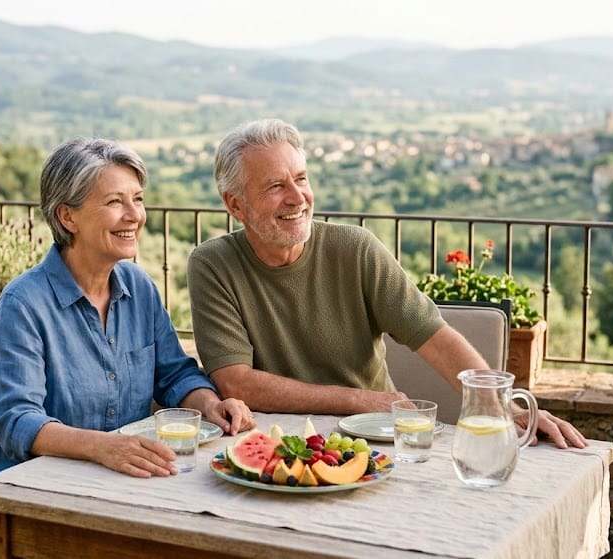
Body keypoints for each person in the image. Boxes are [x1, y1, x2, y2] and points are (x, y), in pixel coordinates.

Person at [186, 118, 586, 450]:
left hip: (373, 440)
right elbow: (237, 383)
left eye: (302, 179)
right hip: (274, 445)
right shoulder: (212, 265)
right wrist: (359, 399)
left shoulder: (355, 249)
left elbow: (434, 337)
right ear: (234, 204)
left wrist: (499, 407)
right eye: (276, 186)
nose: (298, 197)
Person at [0, 138, 255, 551]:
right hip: (8, 499)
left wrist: (208, 403)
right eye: (115, 201)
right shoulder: (23, 304)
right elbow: (16, 420)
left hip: (109, 491)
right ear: (68, 216)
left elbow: (174, 372)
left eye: (137, 198)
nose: (134, 215)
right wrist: (105, 448)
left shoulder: (139, 287)